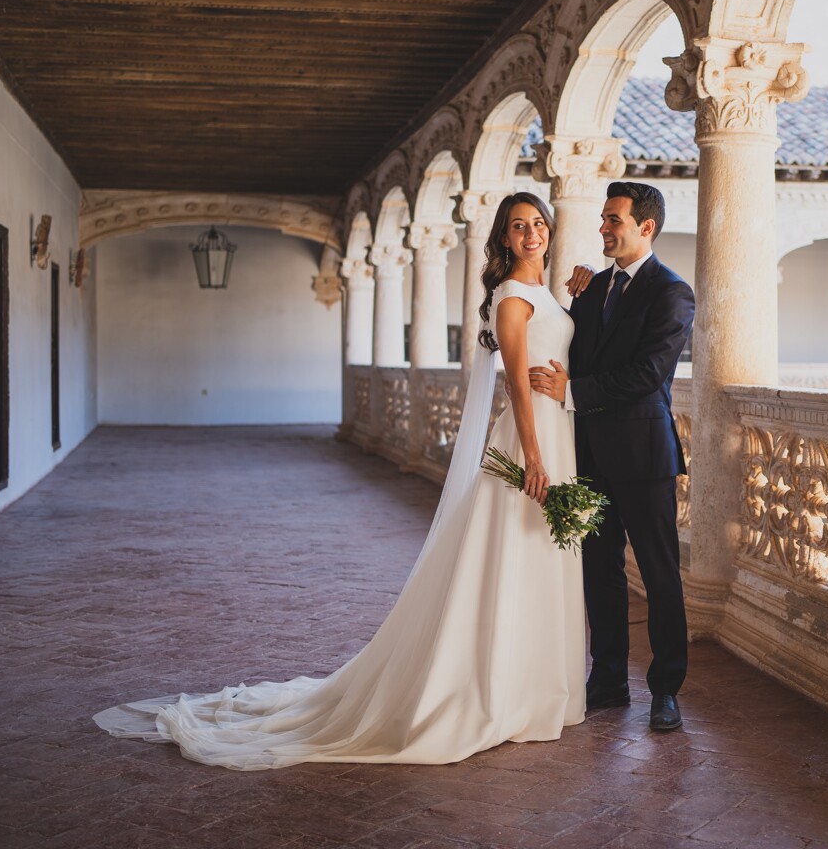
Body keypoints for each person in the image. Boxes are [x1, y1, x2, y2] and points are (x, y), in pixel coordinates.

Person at [93, 193, 585, 769]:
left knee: (539, 553)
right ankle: (500, 689)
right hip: (532, 441)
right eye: (519, 226)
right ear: (503, 238)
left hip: (557, 431)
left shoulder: (547, 291)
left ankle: (535, 684)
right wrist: (532, 455)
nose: (531, 234)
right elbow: (518, 386)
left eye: (538, 224)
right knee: (513, 557)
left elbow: (553, 361)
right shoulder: (512, 298)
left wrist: (577, 307)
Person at [529, 181, 695, 732]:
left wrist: (572, 393)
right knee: (600, 572)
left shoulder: (673, 292)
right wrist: (564, 298)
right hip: (590, 453)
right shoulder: (593, 286)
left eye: (613, 220)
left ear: (645, 226)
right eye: (603, 219)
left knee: (659, 574)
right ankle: (608, 683)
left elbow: (650, 373)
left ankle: (666, 690)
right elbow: (571, 348)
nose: (603, 227)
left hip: (645, 455)